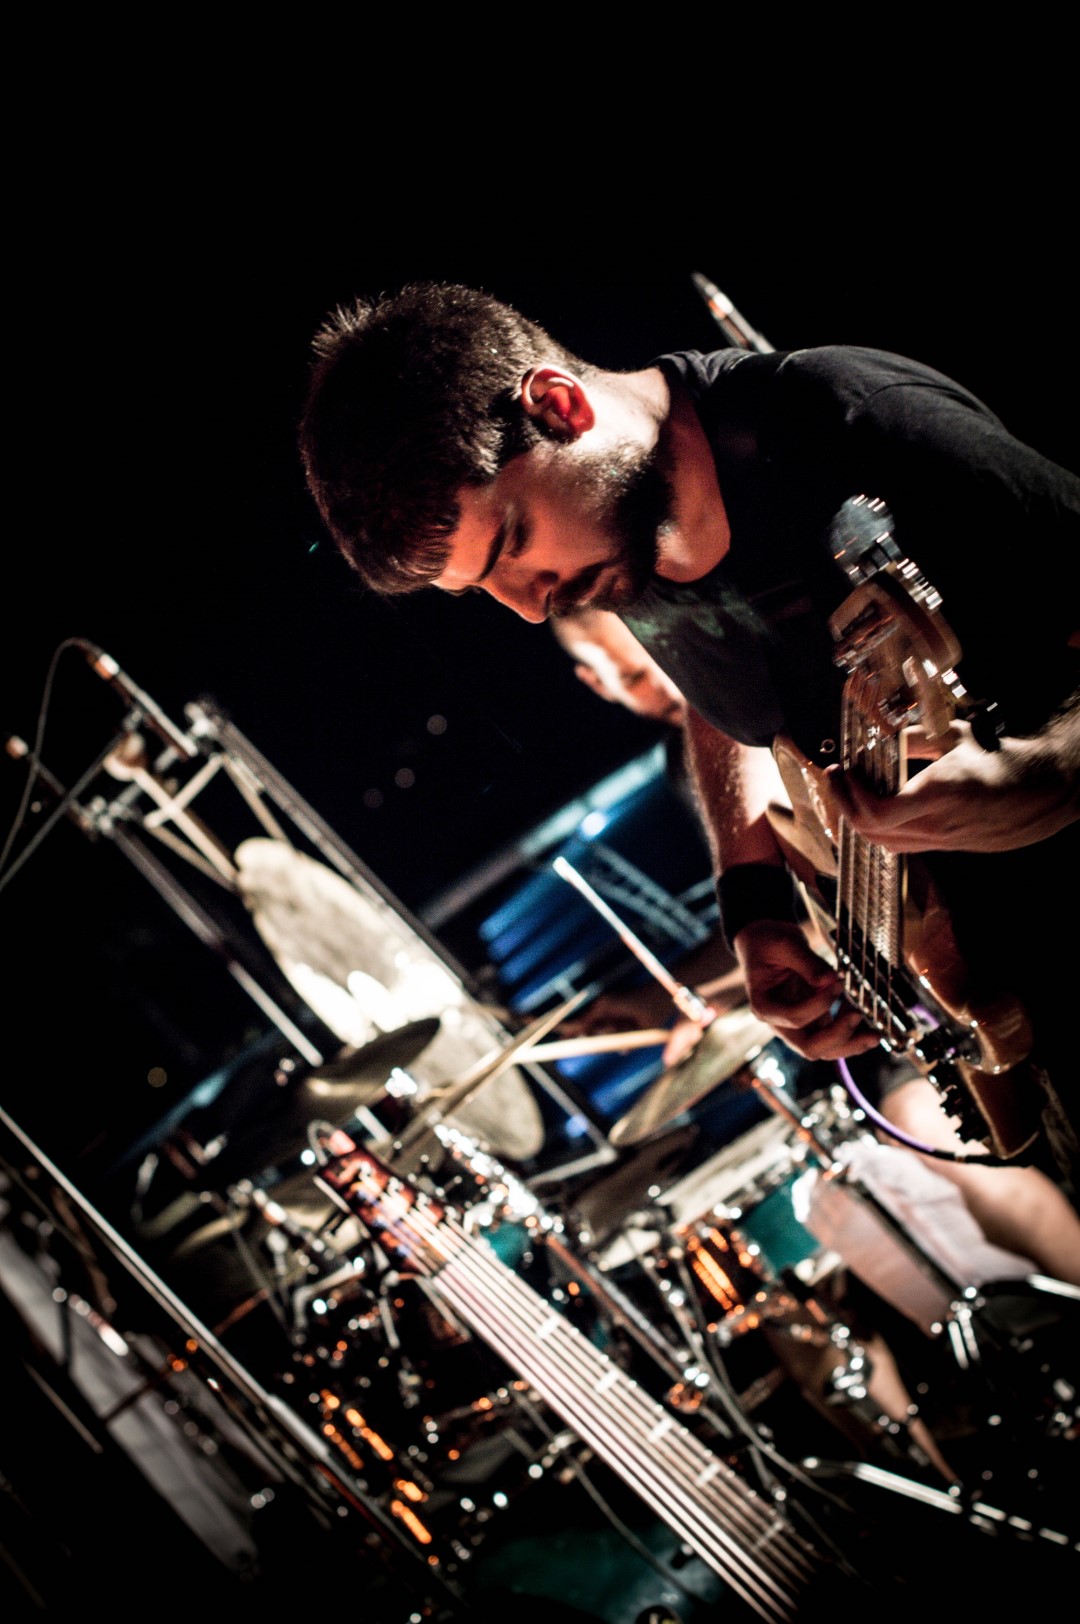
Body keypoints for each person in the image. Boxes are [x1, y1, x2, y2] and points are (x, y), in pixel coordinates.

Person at [296, 280, 1080, 1213]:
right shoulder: (621, 544)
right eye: (482, 591)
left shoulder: (849, 421)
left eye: (511, 541)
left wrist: (1061, 767)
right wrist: (754, 903)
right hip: (1008, 999)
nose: (531, 605)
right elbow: (723, 694)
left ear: (559, 406)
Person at [549, 607, 1080, 1285]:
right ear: (596, 683)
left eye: (654, 655)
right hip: (901, 989)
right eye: (634, 674)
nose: (662, 677)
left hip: (971, 924)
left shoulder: (752, 684)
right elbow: (807, 894)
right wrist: (688, 986)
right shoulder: (694, 763)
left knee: (926, 1120)